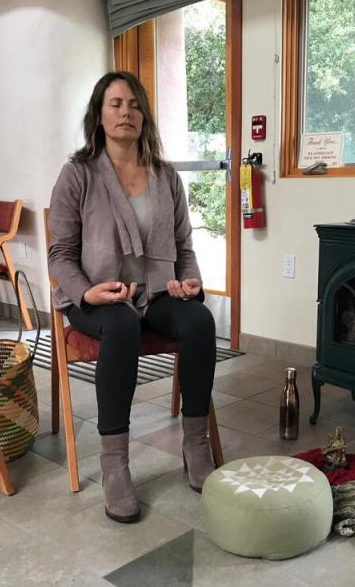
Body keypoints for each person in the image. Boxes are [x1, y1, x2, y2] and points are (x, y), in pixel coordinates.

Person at [48, 71, 217, 524]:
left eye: (134, 105)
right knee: (121, 324)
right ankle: (115, 465)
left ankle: (196, 444)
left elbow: (184, 248)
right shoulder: (77, 174)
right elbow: (60, 254)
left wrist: (189, 282)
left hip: (157, 293)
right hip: (99, 301)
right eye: (116, 104)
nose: (126, 112)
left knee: (201, 322)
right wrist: (87, 290)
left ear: (144, 116)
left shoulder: (165, 177)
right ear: (99, 116)